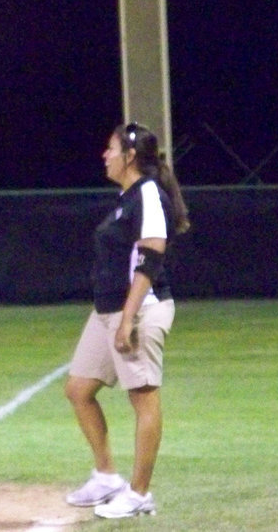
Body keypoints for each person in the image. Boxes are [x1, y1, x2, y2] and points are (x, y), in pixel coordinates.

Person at [64, 123, 190, 519]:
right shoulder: (128, 197)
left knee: (143, 398)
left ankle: (138, 494)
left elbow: (151, 257)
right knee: (79, 389)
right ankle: (106, 477)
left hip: (138, 310)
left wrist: (128, 319)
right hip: (108, 309)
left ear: (130, 155)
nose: (105, 155)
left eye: (111, 149)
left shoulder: (148, 193)